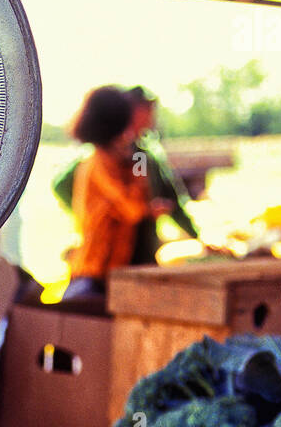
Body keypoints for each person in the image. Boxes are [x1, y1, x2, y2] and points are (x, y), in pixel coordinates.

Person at [53, 85, 199, 269]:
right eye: (145, 111)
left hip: (138, 254)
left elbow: (156, 195)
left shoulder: (138, 155)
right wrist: (97, 213)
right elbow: (133, 205)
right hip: (104, 263)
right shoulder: (102, 159)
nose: (151, 118)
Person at [60, 86, 158, 303]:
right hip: (93, 274)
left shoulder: (117, 159)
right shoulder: (101, 163)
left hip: (110, 274)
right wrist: (147, 200)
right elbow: (132, 209)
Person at [127, 86, 199, 264]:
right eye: (147, 110)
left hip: (145, 246)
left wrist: (196, 236)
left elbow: (171, 197)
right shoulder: (116, 153)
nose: (152, 115)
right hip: (123, 249)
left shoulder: (144, 152)